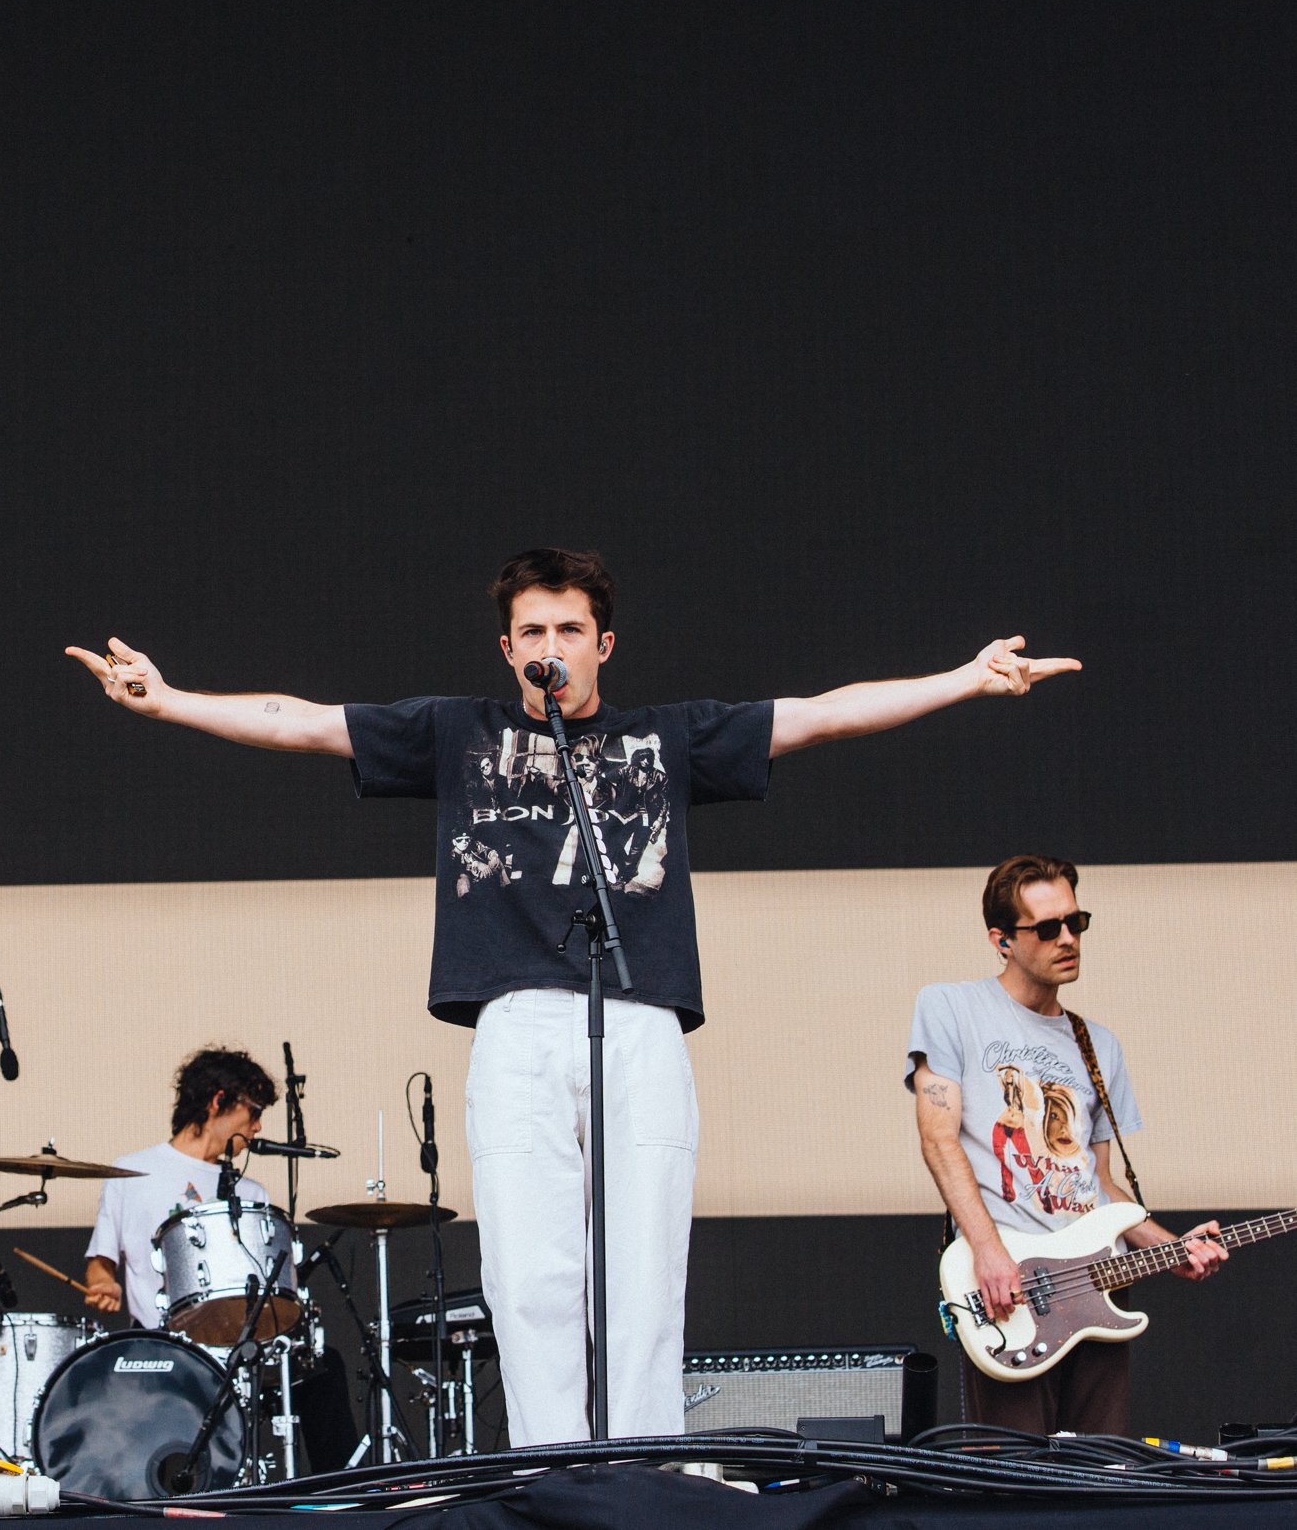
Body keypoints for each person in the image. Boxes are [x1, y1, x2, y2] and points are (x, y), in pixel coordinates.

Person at [64, 546, 1079, 1445]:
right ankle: (553, 1464)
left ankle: (640, 1461)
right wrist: (172, 699)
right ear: (508, 649)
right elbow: (306, 724)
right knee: (530, 1268)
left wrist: (965, 679)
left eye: (569, 630)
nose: (549, 646)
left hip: (639, 1016)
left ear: (603, 645)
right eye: (532, 632)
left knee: (644, 1268)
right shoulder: (456, 732)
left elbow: (819, 716)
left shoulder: (667, 738)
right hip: (514, 1021)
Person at [906, 855, 1226, 1435]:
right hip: (1010, 1285)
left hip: (1098, 1285)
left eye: (1076, 922)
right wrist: (989, 1253)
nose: (1068, 938)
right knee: (1015, 1471)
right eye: (1048, 927)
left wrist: (1173, 1247)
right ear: (1002, 940)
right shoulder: (950, 1007)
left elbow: (1101, 1185)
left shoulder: (1099, 1046)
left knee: (1101, 1467)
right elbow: (938, 1139)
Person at [83, 1048, 361, 1469]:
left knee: (323, 1366)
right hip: (162, 1349)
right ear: (218, 1101)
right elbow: (99, 1263)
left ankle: (343, 1496)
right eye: (253, 1111)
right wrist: (103, 1282)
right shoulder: (132, 1173)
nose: (259, 1126)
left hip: (239, 1353)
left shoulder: (251, 1192)